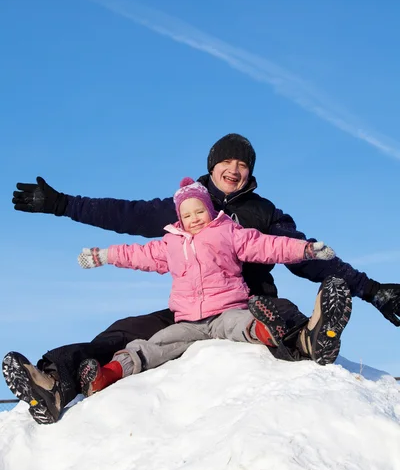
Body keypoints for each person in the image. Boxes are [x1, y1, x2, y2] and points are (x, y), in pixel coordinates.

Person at [3, 134, 399, 425]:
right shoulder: (180, 213)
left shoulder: (263, 213)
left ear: (250, 174)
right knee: (122, 333)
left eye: (243, 165)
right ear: (211, 167)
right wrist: (61, 204)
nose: (235, 169)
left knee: (277, 313)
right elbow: (121, 214)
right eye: (227, 161)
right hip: (189, 310)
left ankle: (311, 337)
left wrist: (371, 290)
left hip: (248, 303)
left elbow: (298, 252)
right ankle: (55, 384)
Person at [72, 177, 339, 396]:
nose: (195, 218)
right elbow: (137, 254)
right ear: (180, 218)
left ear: (210, 211)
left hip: (225, 310)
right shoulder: (170, 244)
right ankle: (107, 374)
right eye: (187, 215)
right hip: (188, 320)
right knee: (154, 344)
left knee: (241, 324)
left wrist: (304, 249)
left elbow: (267, 245)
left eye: (200, 211)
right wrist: (103, 255)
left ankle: (269, 329)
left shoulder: (228, 232)